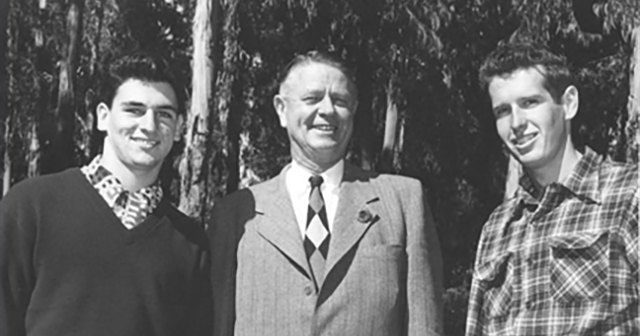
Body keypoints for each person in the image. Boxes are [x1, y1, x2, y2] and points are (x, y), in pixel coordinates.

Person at [210, 50, 443, 336]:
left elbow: (424, 327)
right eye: (312, 98)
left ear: (353, 111)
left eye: (340, 101)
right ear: (282, 110)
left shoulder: (403, 201)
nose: (328, 110)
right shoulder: (236, 214)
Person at [0, 52, 212, 336]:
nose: (149, 125)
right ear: (103, 117)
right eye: (134, 110)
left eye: (164, 114)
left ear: (177, 129)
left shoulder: (191, 242)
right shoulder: (30, 207)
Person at [466, 42, 638, 335]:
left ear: (568, 103)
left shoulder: (629, 195)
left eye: (530, 102)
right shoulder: (497, 228)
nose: (517, 123)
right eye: (503, 111)